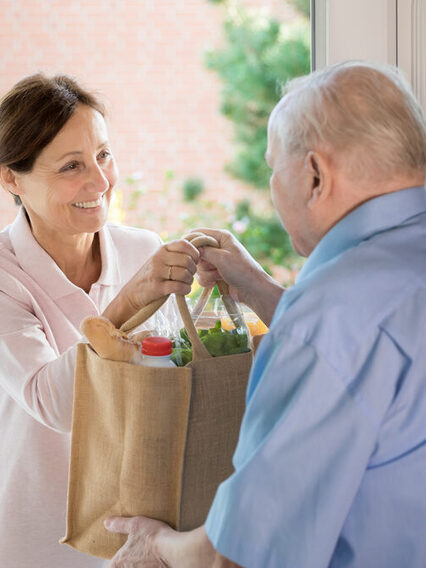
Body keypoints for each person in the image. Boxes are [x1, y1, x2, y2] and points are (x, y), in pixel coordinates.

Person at [105, 61, 426, 567]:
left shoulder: (328, 319)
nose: (272, 186)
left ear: (315, 175)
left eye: (273, 167)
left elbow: (236, 557)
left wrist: (158, 548)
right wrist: (259, 288)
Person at [0, 73, 199, 568]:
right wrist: (130, 300)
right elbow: (57, 404)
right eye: (72, 166)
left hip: (143, 533)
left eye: (103, 155)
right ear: (11, 178)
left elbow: (177, 381)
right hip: (37, 540)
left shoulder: (142, 250)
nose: (100, 182)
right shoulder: (6, 275)